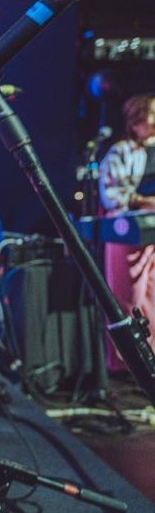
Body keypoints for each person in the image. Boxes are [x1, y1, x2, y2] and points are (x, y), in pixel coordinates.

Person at [99, 92, 155, 372]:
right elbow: (113, 196)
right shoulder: (121, 151)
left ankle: (151, 358)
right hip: (127, 233)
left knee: (152, 296)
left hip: (151, 234)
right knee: (127, 298)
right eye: (151, 114)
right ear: (135, 121)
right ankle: (126, 365)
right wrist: (145, 202)